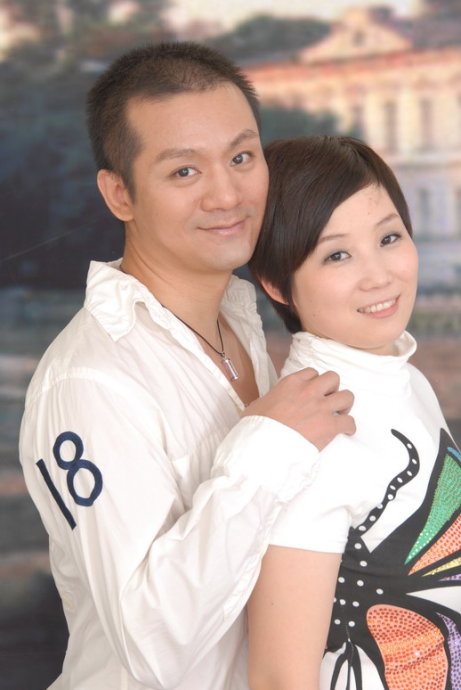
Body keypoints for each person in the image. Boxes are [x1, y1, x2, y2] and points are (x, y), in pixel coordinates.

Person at [18, 44, 355, 689]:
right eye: (184, 172)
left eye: (241, 157)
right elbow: (153, 647)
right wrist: (271, 446)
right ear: (120, 193)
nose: (227, 194)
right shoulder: (87, 381)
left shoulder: (239, 316)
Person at [247, 135, 461, 690]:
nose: (380, 275)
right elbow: (280, 678)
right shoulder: (312, 437)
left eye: (389, 237)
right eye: (337, 254)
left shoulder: (402, 378)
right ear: (276, 283)